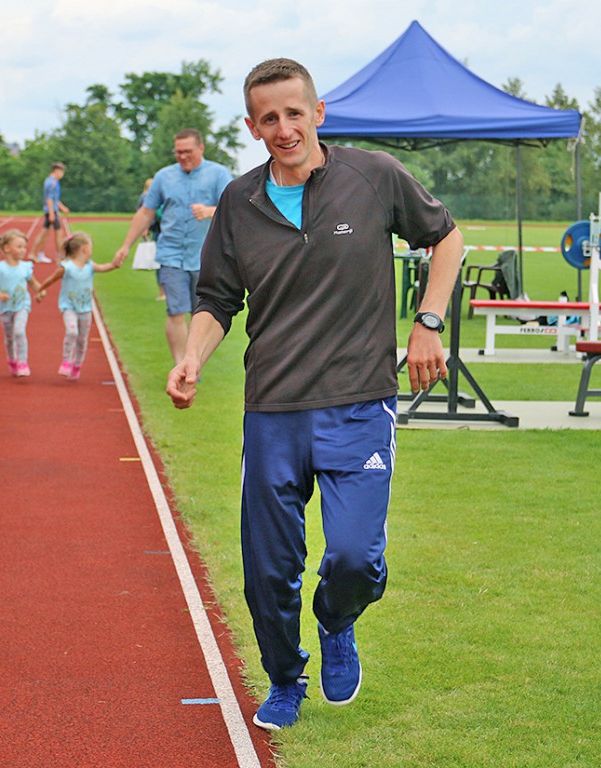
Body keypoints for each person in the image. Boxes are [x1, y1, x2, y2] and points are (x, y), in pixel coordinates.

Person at [166, 58, 464, 731]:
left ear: (318, 113)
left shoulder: (374, 176)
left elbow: (446, 238)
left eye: (294, 113)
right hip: (272, 409)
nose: (284, 128)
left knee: (355, 556)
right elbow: (216, 298)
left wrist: (428, 322)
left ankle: (336, 622)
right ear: (251, 126)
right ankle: (283, 678)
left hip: (359, 402)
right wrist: (192, 355)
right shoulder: (240, 203)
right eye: (268, 118)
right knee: (269, 572)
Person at [115, 129, 233, 363]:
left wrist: (210, 211)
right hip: (171, 255)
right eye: (178, 152)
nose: (182, 156)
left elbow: (235, 209)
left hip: (205, 257)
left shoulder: (218, 174)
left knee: (202, 313)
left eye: (187, 151)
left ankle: (194, 361)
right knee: (175, 311)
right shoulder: (163, 177)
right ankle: (181, 363)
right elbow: (147, 212)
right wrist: (126, 245)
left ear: (201, 148)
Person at [37, 231, 121, 381]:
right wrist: (40, 289)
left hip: (86, 310)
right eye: (91, 247)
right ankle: (66, 362)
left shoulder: (90, 266)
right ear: (84, 249)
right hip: (69, 307)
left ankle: (77, 365)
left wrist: (114, 265)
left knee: (82, 341)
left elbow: (103, 268)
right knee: (72, 332)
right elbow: (51, 279)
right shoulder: (66, 267)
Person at [0, 229, 43, 377]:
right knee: (9, 338)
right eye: (19, 246)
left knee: (19, 331)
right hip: (5, 308)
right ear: (7, 248)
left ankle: (23, 362)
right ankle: (12, 359)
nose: (23, 250)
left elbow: (33, 283)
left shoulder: (26, 267)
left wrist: (40, 291)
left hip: (22, 305)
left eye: (24, 247)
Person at [29, 162, 69, 263]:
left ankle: (37, 253)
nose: (62, 175)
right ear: (57, 171)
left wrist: (62, 207)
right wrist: (52, 213)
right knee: (58, 233)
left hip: (52, 210)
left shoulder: (54, 181)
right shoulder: (52, 182)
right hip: (51, 211)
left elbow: (55, 199)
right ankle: (60, 256)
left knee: (44, 233)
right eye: (62, 172)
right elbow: (49, 199)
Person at [138, 177, 165, 302]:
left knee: (161, 262)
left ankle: (162, 292)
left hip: (159, 231)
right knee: (163, 262)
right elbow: (145, 214)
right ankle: (164, 292)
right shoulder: (148, 198)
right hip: (161, 230)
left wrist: (144, 228)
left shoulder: (147, 197)